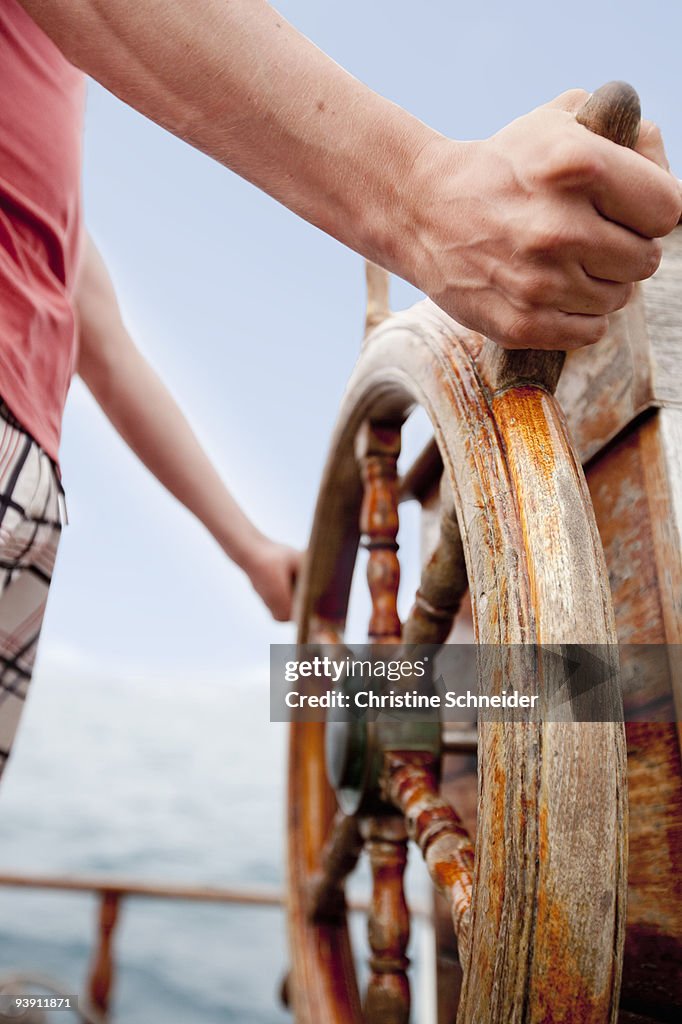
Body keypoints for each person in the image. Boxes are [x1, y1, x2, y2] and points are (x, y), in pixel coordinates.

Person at [0, 0, 680, 782]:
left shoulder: (40, 144)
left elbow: (103, 345)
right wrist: (424, 198)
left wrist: (248, 548)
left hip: (30, 493)